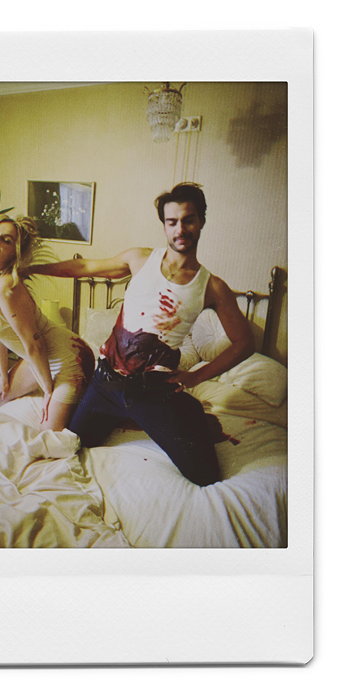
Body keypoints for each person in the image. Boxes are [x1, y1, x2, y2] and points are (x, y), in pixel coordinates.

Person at [27, 183, 253, 486]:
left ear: (201, 221)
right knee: (73, 446)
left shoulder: (212, 287)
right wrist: (31, 269)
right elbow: (84, 266)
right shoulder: (140, 259)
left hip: (153, 395)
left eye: (188, 220)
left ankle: (189, 410)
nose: (180, 229)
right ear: (164, 226)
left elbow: (244, 342)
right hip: (105, 384)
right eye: (172, 222)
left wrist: (197, 376)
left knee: (204, 476)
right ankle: (125, 414)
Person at [0, 213, 94, 432]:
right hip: (38, 358)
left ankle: (88, 400)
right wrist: (3, 377)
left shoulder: (6, 287)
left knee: (49, 434)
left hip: (70, 357)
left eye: (6, 240)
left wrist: (48, 390)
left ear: (14, 255)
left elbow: (34, 344)